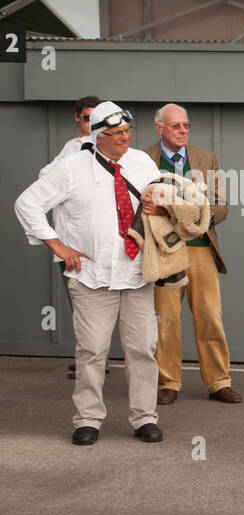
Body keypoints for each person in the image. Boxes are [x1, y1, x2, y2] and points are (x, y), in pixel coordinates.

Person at [13, 101, 168, 445]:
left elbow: (164, 200)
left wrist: (160, 206)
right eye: (114, 134)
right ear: (97, 135)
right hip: (90, 275)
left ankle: (144, 417)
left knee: (143, 349)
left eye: (127, 131)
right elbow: (27, 202)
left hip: (137, 272)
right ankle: (88, 419)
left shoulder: (141, 162)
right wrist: (57, 245)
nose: (123, 138)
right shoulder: (70, 167)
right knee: (92, 351)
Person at [143, 103, 242, 405]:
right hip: (165, 250)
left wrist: (199, 216)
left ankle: (218, 382)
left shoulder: (204, 158)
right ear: (160, 128)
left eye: (186, 125)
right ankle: (169, 382)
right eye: (176, 125)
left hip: (201, 249)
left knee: (210, 315)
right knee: (167, 319)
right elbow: (140, 202)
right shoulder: (144, 159)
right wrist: (161, 211)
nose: (183, 130)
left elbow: (221, 205)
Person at [41, 95, 101, 379]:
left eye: (96, 117)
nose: (91, 123)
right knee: (78, 304)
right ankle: (87, 360)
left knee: (106, 306)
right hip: (69, 244)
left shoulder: (112, 147)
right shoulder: (69, 149)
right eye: (87, 117)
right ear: (77, 118)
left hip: (100, 241)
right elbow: (45, 178)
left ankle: (95, 360)